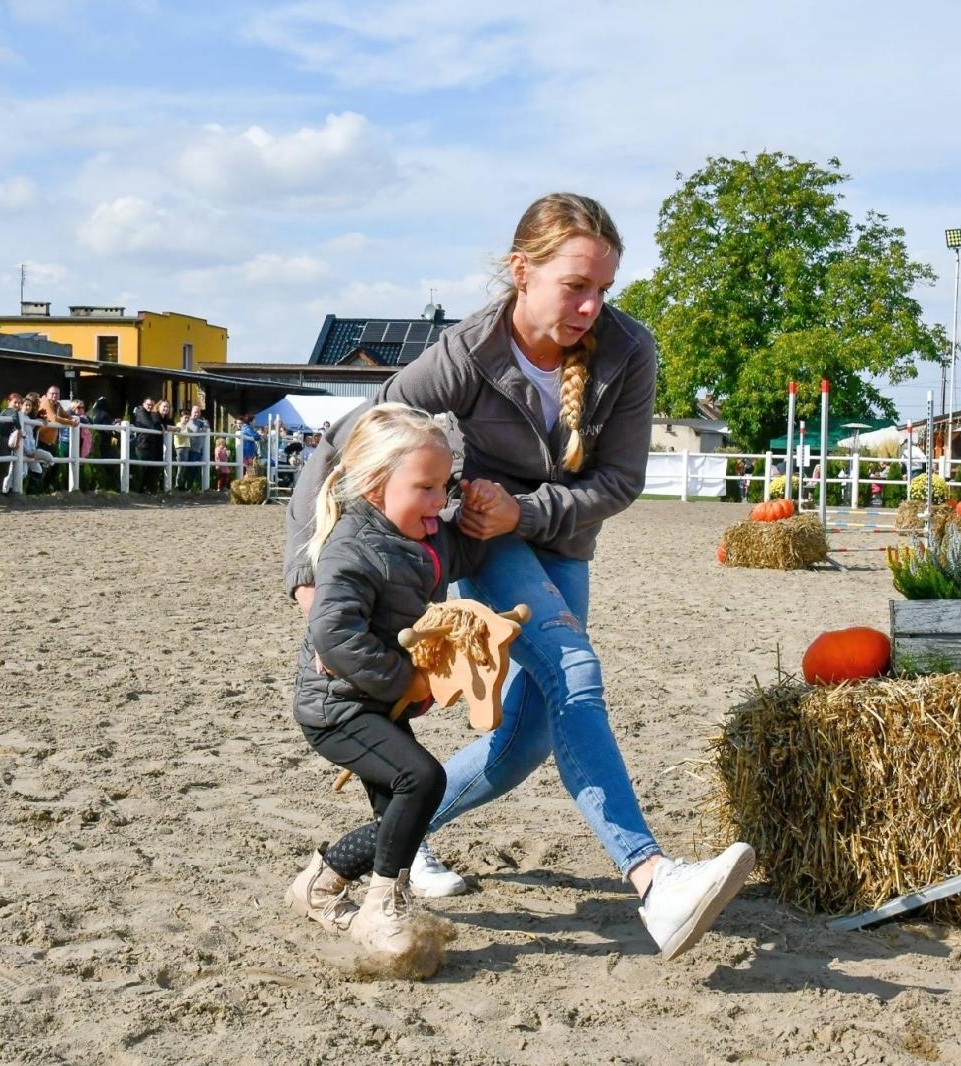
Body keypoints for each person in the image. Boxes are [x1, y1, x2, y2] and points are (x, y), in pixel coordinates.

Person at [286, 192, 754, 961]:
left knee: (525, 741)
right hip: (478, 538)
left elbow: (620, 481)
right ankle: (655, 879)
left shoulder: (629, 352)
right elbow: (342, 444)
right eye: (576, 285)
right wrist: (305, 574)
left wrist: (528, 513)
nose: (591, 304)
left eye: (604, 288)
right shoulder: (467, 352)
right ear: (521, 271)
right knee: (575, 667)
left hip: (556, 537)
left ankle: (369, 850)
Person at [286, 404, 487, 964]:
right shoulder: (354, 546)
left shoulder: (416, 535)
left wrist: (485, 512)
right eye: (425, 487)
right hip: (337, 708)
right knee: (421, 779)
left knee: (399, 817)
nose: (438, 502)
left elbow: (462, 549)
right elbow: (332, 631)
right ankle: (383, 907)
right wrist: (410, 678)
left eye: (443, 487)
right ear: (376, 485)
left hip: (377, 704)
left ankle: (318, 886)